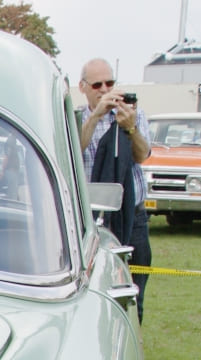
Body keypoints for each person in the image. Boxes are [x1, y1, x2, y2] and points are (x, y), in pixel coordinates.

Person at [79, 58, 151, 322]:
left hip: (133, 216)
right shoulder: (77, 117)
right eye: (97, 84)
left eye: (110, 83)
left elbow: (142, 155)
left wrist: (130, 128)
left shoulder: (133, 114)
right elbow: (74, 150)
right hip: (89, 219)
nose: (104, 89)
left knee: (134, 290)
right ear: (83, 87)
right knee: (92, 289)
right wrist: (96, 115)